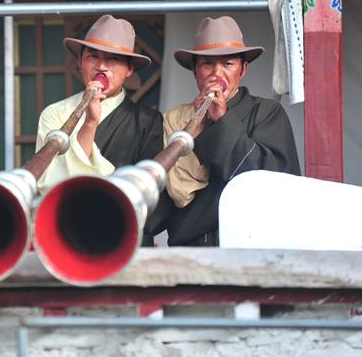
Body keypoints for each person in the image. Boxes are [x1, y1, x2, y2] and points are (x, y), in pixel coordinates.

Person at [145, 16, 301, 246]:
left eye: (228, 64)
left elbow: (272, 184)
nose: (217, 73)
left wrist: (222, 121)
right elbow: (167, 197)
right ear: (194, 70)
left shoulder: (267, 112)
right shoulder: (176, 120)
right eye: (207, 63)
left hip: (250, 248)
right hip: (190, 251)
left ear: (243, 69)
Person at [35, 15, 164, 194]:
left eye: (113, 58)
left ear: (130, 68)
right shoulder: (55, 113)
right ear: (80, 62)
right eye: (93, 56)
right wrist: (89, 123)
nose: (102, 66)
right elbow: (50, 181)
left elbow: (147, 186)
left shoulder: (147, 121)